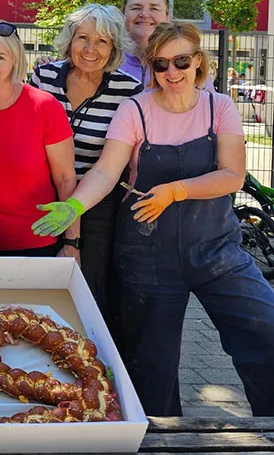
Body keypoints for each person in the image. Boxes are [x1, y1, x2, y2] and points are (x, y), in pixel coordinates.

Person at [32, 23, 274, 417]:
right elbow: (107, 172)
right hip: (148, 256)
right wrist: (74, 206)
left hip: (215, 251)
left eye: (181, 61)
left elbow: (231, 174)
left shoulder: (220, 107)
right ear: (151, 69)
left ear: (198, 61)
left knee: (264, 327)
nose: (172, 72)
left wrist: (175, 190)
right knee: (151, 362)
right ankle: (158, 443)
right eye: (161, 64)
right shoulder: (135, 109)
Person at [31, 4, 142, 336]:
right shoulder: (44, 77)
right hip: (43, 195)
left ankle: (86, 355)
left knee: (86, 287)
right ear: (69, 40)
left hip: (95, 202)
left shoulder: (127, 90)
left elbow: (117, 163)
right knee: (39, 284)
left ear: (114, 48)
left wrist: (73, 236)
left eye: (103, 41)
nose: (91, 50)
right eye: (83, 38)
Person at [0, 18, 76, 258]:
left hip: (37, 243)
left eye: (0, 57)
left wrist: (72, 242)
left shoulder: (44, 106)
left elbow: (65, 179)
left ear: (15, 61)